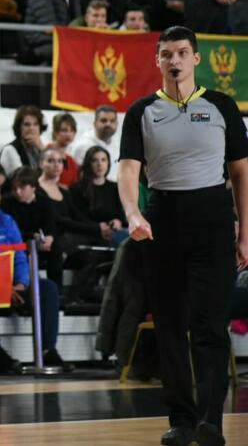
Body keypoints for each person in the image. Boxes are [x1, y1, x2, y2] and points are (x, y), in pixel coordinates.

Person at [119, 26, 248, 446]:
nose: (174, 61)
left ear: (196, 59)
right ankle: (182, 420)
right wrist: (134, 213)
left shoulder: (222, 106)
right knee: (170, 326)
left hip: (212, 217)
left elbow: (242, 174)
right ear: (157, 61)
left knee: (210, 325)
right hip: (164, 219)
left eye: (182, 53)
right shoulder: (141, 112)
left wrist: (245, 231)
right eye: (166, 54)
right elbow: (127, 171)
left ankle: (211, 420)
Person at [0, 179, 70, 373]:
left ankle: (47, 350)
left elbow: (20, 257)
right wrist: (1, 287)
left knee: (47, 289)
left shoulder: (7, 221)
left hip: (12, 286)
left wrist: (21, 283)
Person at [68, 105, 118, 178]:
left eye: (112, 121)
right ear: (94, 123)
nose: (108, 124)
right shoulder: (81, 145)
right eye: (103, 120)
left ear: (117, 124)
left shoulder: (119, 145)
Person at [0, 105, 45, 175]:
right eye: (27, 124)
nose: (32, 128)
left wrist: (43, 149)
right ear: (19, 127)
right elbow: (22, 178)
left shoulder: (40, 147)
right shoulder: (9, 150)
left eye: (36, 124)